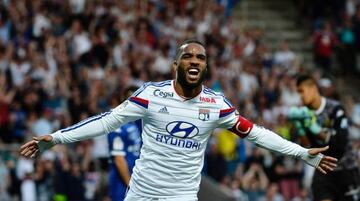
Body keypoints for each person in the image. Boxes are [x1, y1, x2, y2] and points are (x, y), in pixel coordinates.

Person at [20, 39, 337, 201]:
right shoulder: (150, 95)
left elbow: (256, 133)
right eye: (189, 56)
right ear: (176, 64)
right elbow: (106, 121)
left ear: (206, 66)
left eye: (201, 57)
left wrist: (300, 153)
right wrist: (57, 137)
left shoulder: (217, 105)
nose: (195, 60)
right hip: (142, 190)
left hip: (181, 195)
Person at [295, 74, 360, 201]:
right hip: (323, 170)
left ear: (313, 88)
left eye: (302, 91)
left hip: (345, 169)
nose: (301, 96)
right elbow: (308, 147)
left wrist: (316, 130)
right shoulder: (304, 114)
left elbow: (340, 143)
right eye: (298, 93)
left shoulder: (335, 109)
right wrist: (300, 129)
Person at [108, 86, 142, 201]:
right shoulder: (117, 124)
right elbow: (119, 159)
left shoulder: (136, 123)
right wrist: (131, 186)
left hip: (136, 183)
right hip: (122, 185)